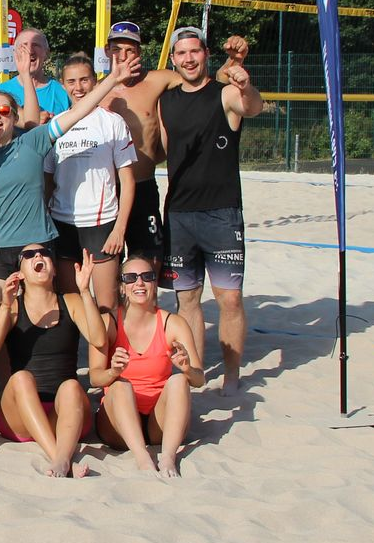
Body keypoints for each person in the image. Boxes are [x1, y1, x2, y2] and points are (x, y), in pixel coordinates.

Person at [0, 41, 140, 313]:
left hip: (87, 225)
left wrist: (113, 79)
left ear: (14, 117)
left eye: (4, 111)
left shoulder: (38, 138)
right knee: (38, 309)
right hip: (43, 230)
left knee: (95, 307)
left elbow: (79, 112)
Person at [159, 25, 263, 396]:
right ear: (173, 60)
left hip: (221, 212)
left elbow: (252, 107)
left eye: (195, 51)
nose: (189, 59)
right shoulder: (166, 101)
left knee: (229, 299)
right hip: (179, 214)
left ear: (205, 54)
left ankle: (232, 376)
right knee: (187, 299)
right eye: (182, 53)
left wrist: (246, 85)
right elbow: (163, 149)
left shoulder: (225, 93)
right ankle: (196, 371)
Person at [101, 22, 251, 269]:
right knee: (107, 267)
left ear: (139, 53)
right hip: (105, 191)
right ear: (107, 51)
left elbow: (204, 82)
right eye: (117, 49)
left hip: (142, 187)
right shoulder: (97, 91)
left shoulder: (158, 80)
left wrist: (234, 60)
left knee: (148, 266)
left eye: (130, 50)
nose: (123, 56)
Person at [0, 246, 106, 478]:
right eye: (28, 255)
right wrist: (5, 306)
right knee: (21, 378)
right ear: (20, 273)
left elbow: (98, 339)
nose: (38, 256)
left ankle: (60, 459)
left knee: (71, 386)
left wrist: (85, 291)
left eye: (45, 253)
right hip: (22, 415)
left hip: (65, 413)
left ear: (54, 270)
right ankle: (60, 457)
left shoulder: (71, 301)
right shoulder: (13, 306)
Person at [89, 256, 203, 477]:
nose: (139, 283)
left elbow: (199, 380)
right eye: (131, 278)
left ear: (154, 283)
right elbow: (95, 378)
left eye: (147, 277)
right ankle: (143, 458)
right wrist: (113, 372)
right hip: (118, 424)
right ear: (122, 287)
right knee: (120, 385)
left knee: (179, 380)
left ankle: (168, 457)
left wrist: (187, 369)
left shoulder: (173, 323)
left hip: (159, 421)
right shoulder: (109, 322)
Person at [48, 53, 138, 313]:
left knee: (106, 306)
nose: (78, 87)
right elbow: (47, 181)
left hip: (102, 224)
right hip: (63, 223)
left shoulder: (112, 122)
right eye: (71, 81)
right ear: (63, 85)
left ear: (95, 81)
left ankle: (110, 343)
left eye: (84, 80)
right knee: (71, 305)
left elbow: (127, 181)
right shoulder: (57, 124)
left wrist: (119, 229)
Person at [0, 28, 72, 118]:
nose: (30, 51)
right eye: (24, 46)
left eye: (36, 45)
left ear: (47, 53)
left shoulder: (64, 93)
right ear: (15, 54)